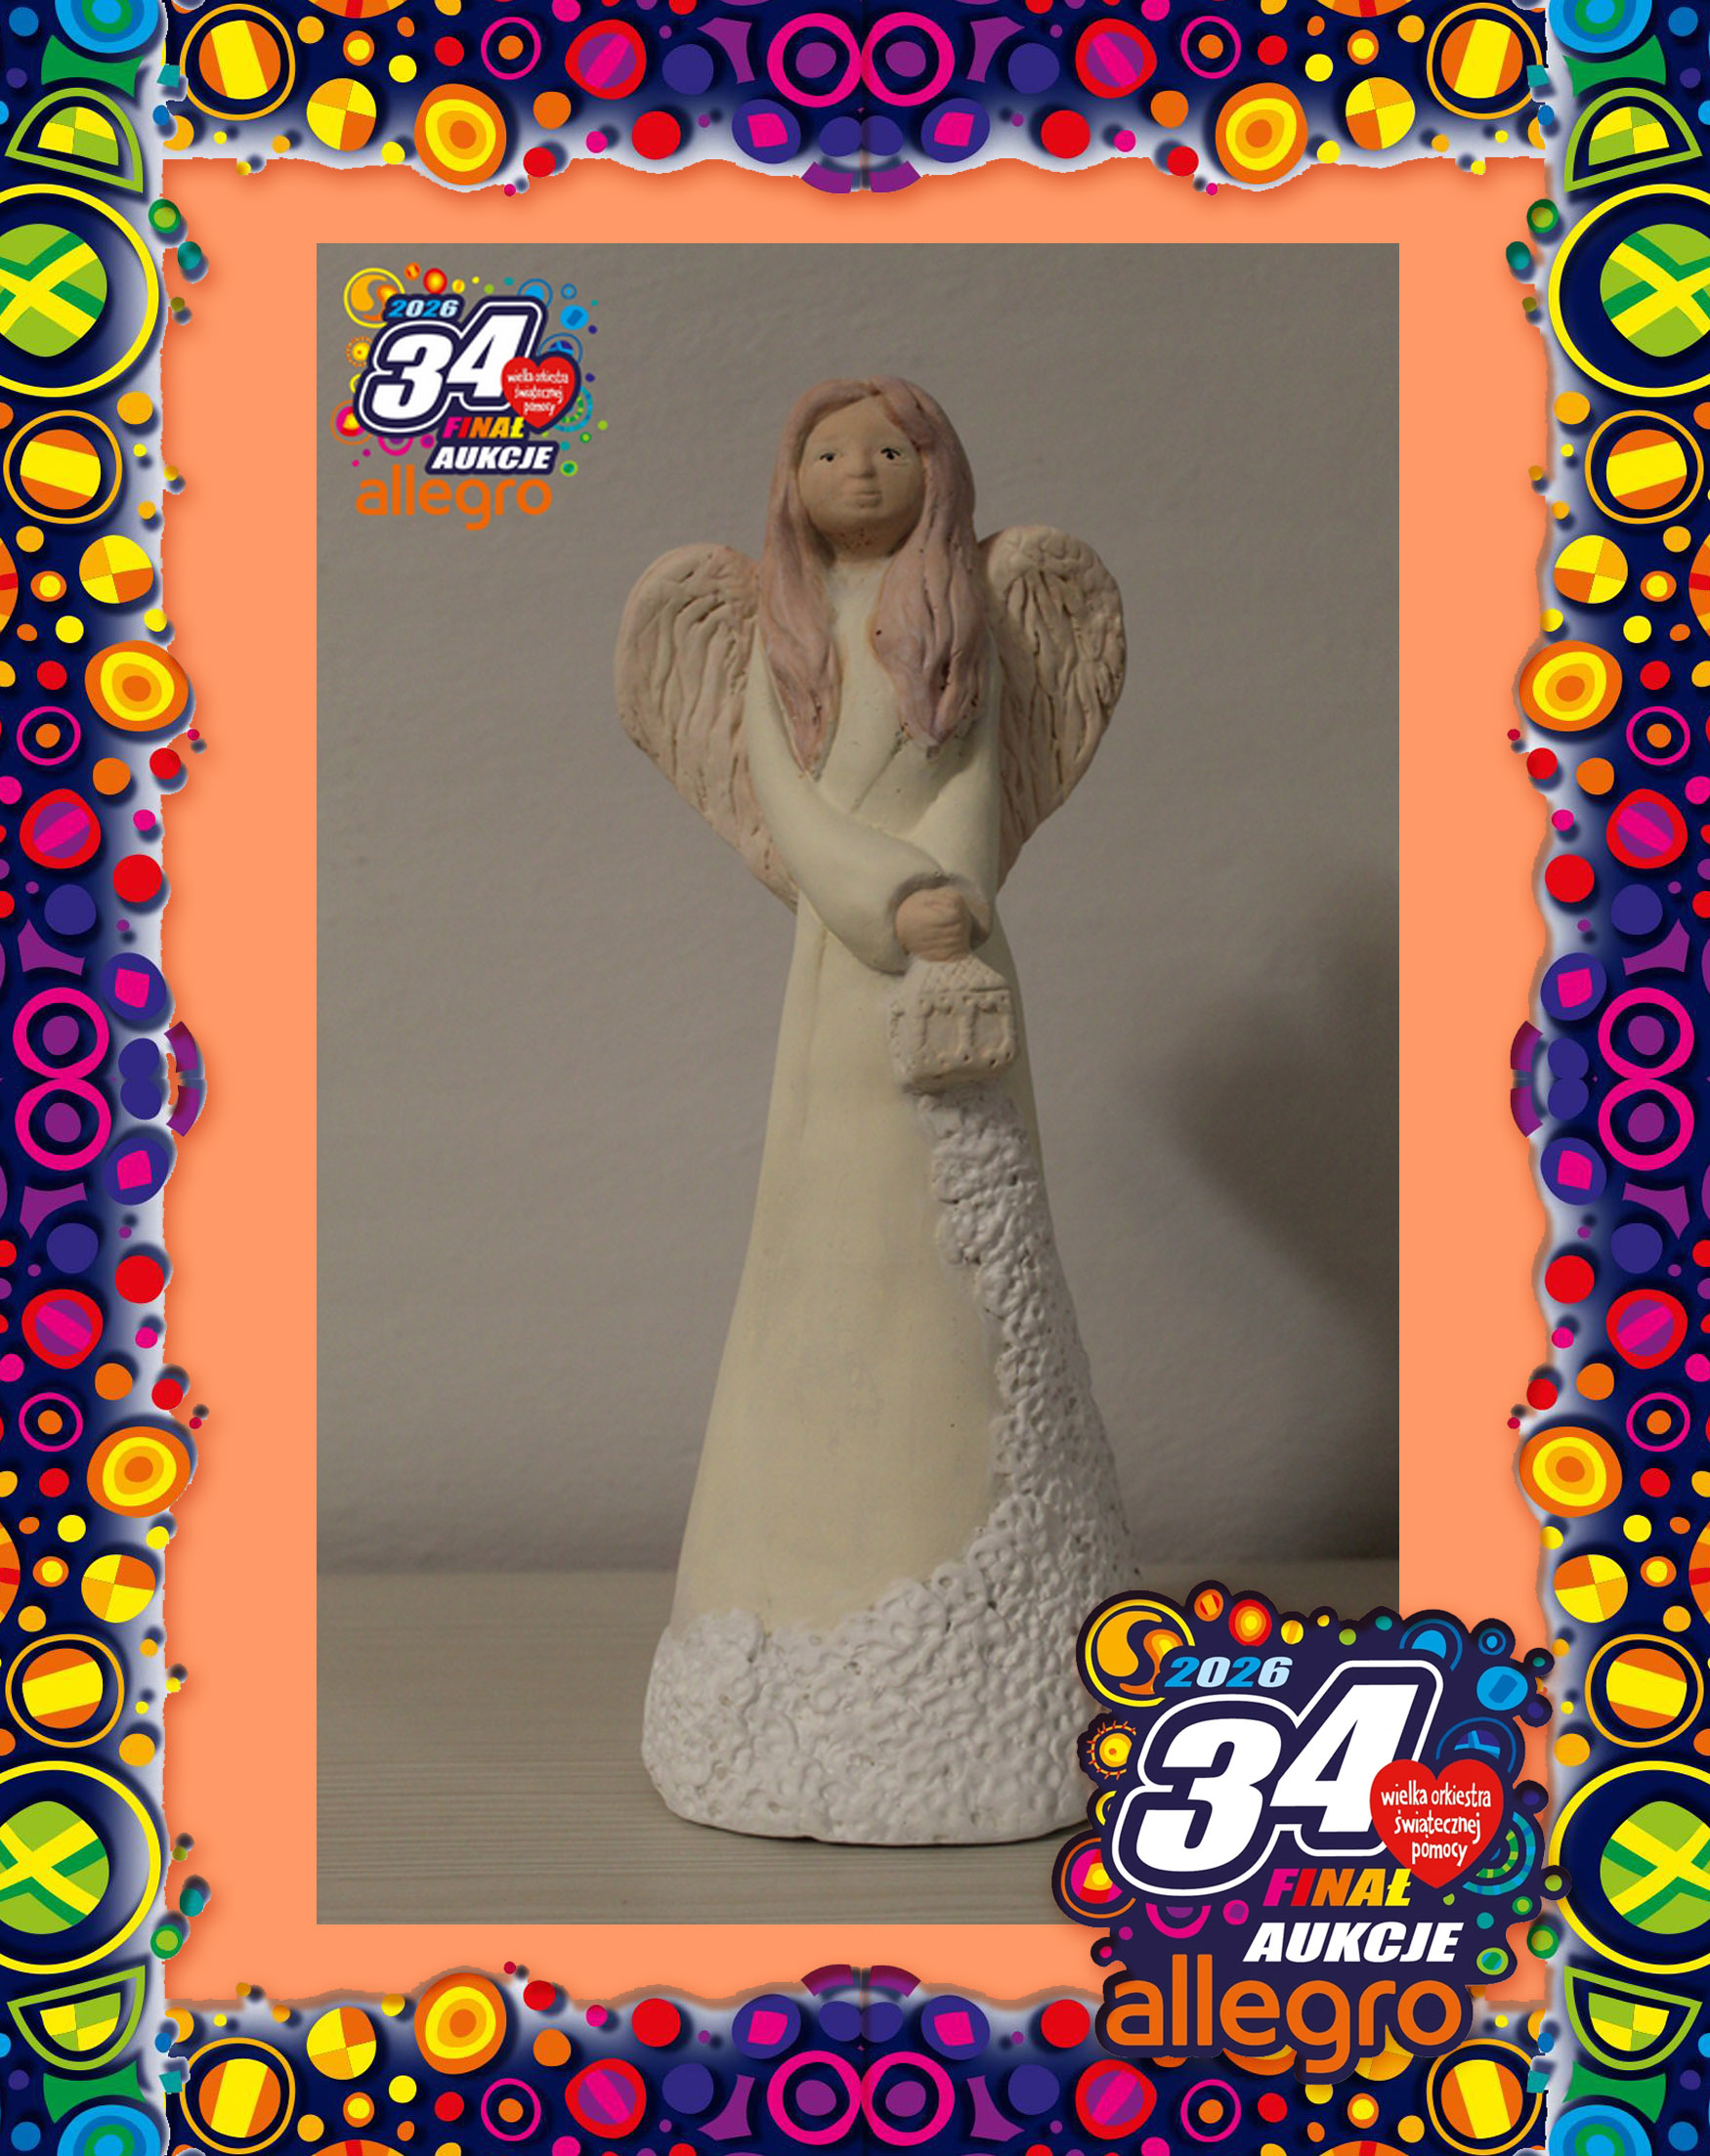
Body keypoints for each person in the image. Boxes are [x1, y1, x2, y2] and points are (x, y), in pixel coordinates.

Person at [619, 378, 1135, 1842]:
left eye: (889, 449)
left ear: (936, 468)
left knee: (955, 1254)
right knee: (823, 1249)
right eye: (830, 452)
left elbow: (969, 778)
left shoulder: (963, 619)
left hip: (945, 968)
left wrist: (944, 897)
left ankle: (989, 1581)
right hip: (850, 966)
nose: (860, 471)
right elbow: (784, 801)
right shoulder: (774, 634)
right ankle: (800, 1593)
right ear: (790, 476)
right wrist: (881, 896)